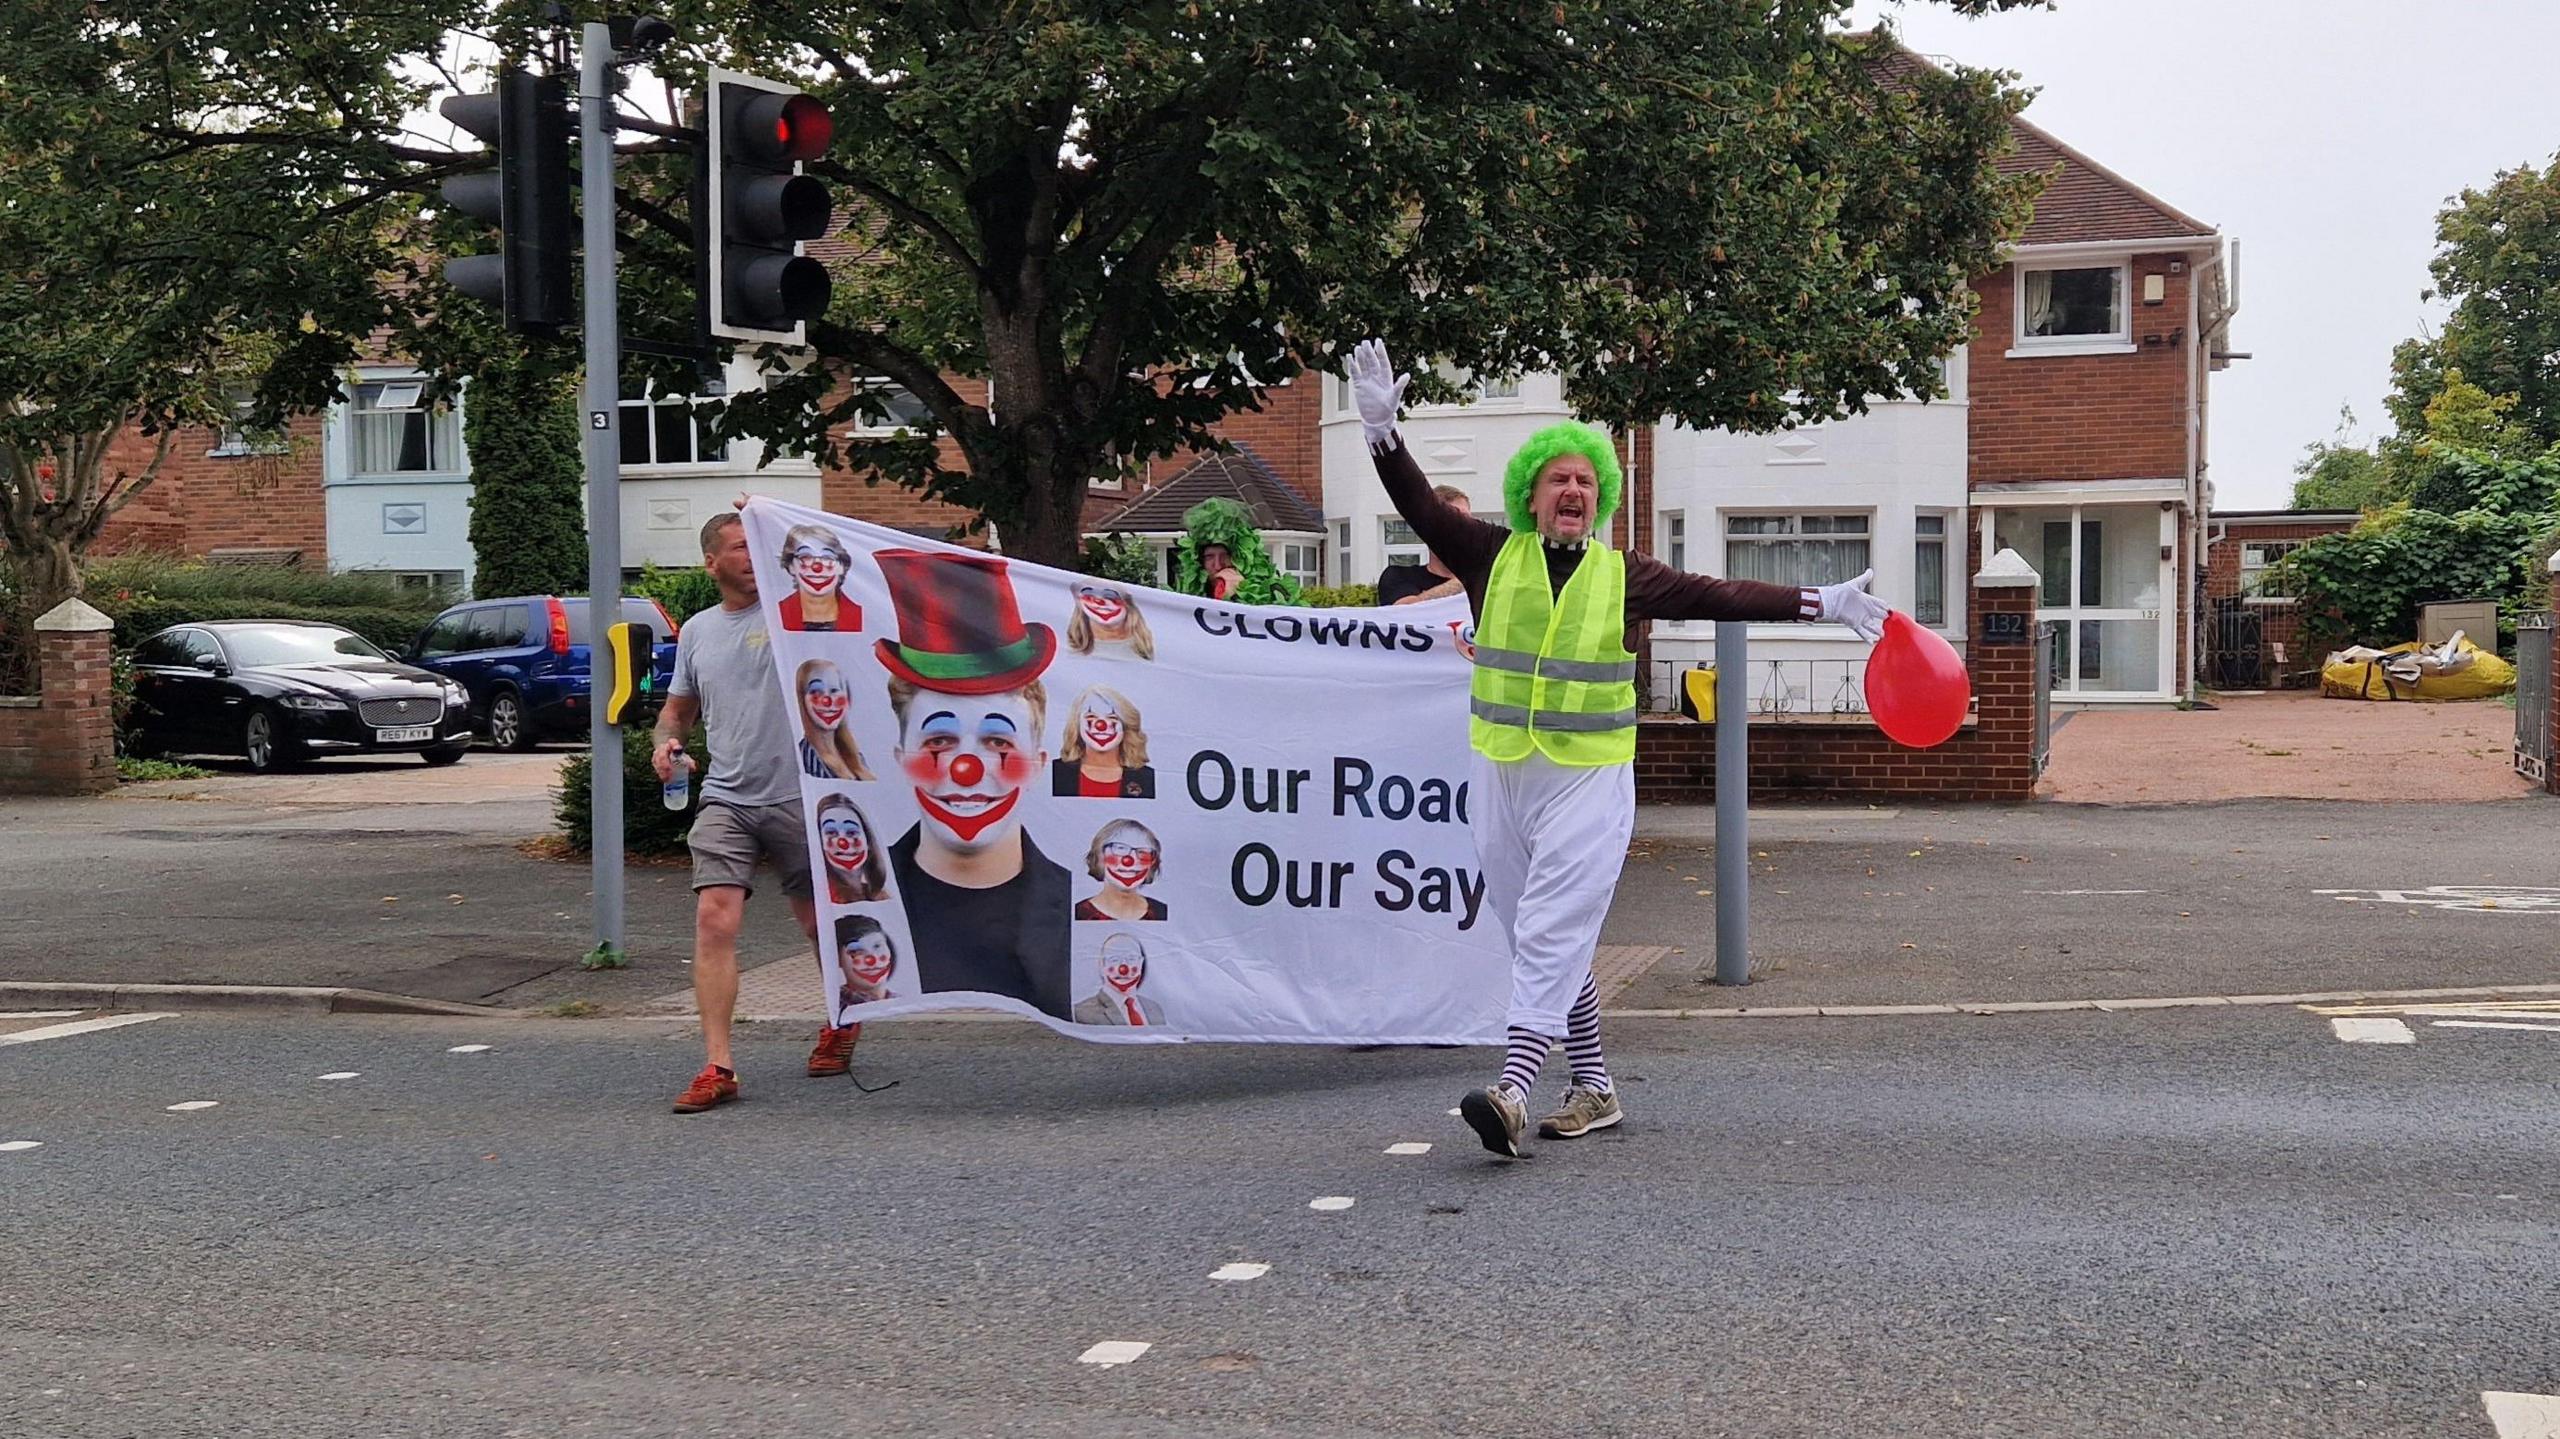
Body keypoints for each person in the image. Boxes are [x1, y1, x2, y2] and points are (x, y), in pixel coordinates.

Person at [1347, 339, 1890, 1157]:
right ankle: (1595, 1087)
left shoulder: (1622, 572)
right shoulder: (1489, 554)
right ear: (1530, 495)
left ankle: (1513, 1088)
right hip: (1501, 774)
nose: (1574, 488)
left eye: (1587, 480)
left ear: (1599, 501)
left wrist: (1822, 600)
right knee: (1537, 933)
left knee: (1552, 926)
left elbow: (1722, 592)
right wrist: (1383, 431)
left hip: (1589, 780)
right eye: (1559, 477)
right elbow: (1421, 505)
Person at [653, 511, 863, 1114]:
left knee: (815, 923)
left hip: (804, 794)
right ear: (710, 561)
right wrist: (666, 746)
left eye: (758, 547)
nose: (753, 556)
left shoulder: (798, 614)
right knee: (714, 922)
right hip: (727, 795)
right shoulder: (697, 631)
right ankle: (718, 1066)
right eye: (740, 547)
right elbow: (678, 711)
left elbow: (843, 571)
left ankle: (842, 1017)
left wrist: (778, 519)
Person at [873, 548, 1075, 1019]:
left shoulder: (1079, 903)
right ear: (901, 758)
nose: (967, 769)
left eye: (999, 743)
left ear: (1040, 761)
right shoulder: (870, 896)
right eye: (939, 740)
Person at [1050, 684, 1156, 798]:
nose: (1101, 725)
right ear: (1077, 725)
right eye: (1091, 717)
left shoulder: (1146, 778)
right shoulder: (1056, 772)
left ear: (1125, 726)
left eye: (1112, 718)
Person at [1377, 485, 1473, 605]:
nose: (1461, 525)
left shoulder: (1491, 579)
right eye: (1450, 517)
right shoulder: (1400, 576)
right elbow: (1404, 610)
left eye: (1465, 518)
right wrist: (1469, 580)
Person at [794, 658, 876, 780]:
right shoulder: (805, 758)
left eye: (834, 691)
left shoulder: (855, 756)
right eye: (816, 692)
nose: (827, 701)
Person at [1074, 818, 1168, 921]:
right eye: (1119, 848)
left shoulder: (1161, 912)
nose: (1129, 860)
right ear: (1099, 856)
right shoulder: (1079, 913)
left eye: (1142, 852)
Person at [777, 524, 856, 631]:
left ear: (841, 566)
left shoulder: (864, 617)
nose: (817, 567)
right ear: (791, 566)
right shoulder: (774, 616)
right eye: (806, 557)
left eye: (827, 557)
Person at [1072, 933, 1164, 1025]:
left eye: (1131, 958)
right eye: (1114, 959)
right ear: (1102, 964)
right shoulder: (1083, 1013)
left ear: (1141, 963)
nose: (1123, 969)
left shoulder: (1155, 1010)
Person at [815, 792, 890, 904]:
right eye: (831, 832)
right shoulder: (821, 895)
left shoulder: (880, 893)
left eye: (851, 832)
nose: (842, 843)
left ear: (868, 840)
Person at [1066, 581, 1155, 660]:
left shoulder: (1148, 645)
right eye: (1089, 594)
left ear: (1128, 603)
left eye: (1110, 596)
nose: (1099, 602)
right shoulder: (1069, 645)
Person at [833, 914, 899, 1019]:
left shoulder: (902, 1001)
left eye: (877, 946)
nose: (872, 960)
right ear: (838, 958)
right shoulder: (840, 1007)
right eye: (856, 952)